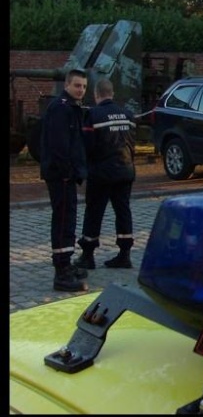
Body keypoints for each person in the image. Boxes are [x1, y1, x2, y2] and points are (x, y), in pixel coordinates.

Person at [75, 78, 137, 270]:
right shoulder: (127, 115)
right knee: (123, 211)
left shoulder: (93, 115)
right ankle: (125, 254)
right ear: (112, 94)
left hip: (101, 172)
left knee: (94, 212)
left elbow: (87, 145)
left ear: (96, 94)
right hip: (126, 170)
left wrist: (84, 168)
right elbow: (132, 144)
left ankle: (88, 255)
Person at [39, 68, 89, 292]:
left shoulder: (71, 108)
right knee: (62, 222)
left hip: (67, 175)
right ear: (67, 85)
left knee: (68, 220)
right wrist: (68, 172)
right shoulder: (61, 109)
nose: (81, 90)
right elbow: (60, 146)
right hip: (61, 176)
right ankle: (61, 272)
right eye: (77, 86)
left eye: (84, 87)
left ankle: (66, 264)